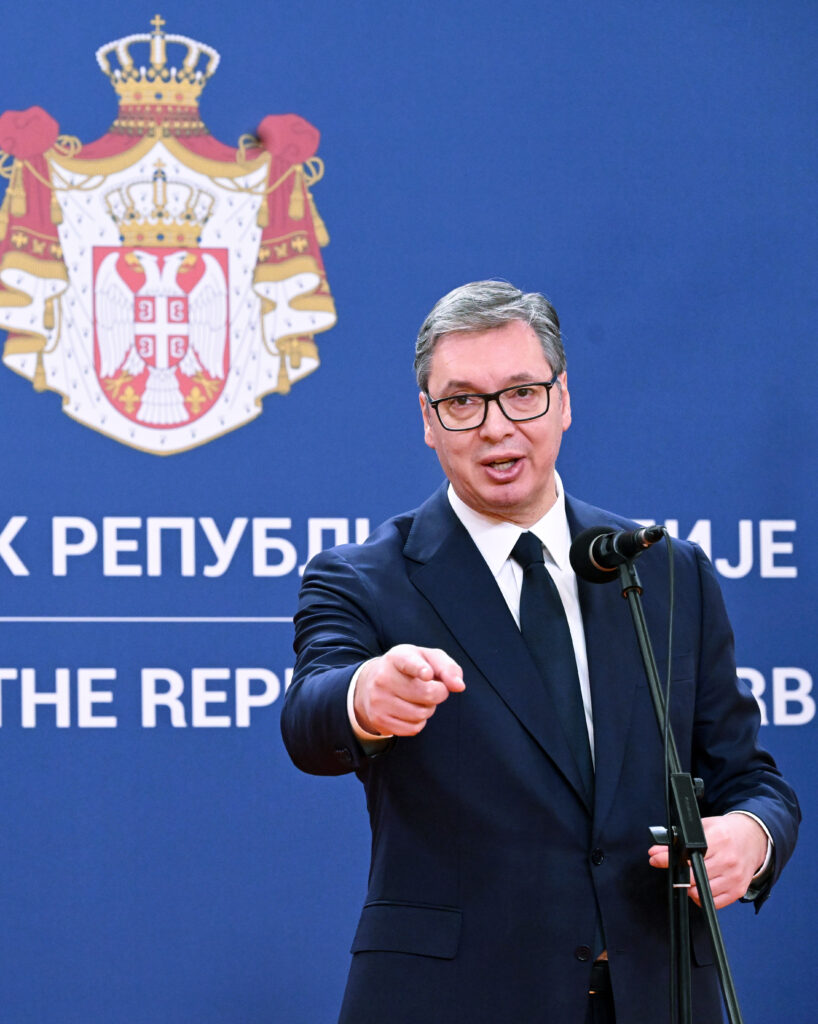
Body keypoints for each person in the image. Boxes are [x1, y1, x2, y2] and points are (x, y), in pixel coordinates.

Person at [281, 280, 799, 1024]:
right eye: (463, 402)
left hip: (656, 998)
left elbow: (749, 779)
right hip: (452, 1002)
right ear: (428, 420)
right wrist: (364, 696)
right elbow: (309, 716)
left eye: (522, 393)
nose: (497, 427)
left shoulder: (665, 572)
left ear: (563, 400)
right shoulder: (365, 578)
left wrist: (752, 836)